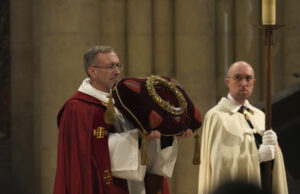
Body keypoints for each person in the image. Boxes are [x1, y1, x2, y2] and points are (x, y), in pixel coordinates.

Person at [53, 46, 190, 194]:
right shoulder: (77, 108)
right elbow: (88, 154)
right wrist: (135, 138)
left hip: (136, 185)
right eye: (110, 66)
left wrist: (166, 134)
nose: (117, 72)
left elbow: (146, 140)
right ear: (93, 71)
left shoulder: (125, 100)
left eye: (118, 65)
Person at [198, 61, 288, 194]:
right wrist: (257, 156)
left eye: (248, 78)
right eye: (238, 78)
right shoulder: (216, 116)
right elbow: (221, 163)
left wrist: (275, 149)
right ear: (228, 82)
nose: (244, 83)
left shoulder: (260, 115)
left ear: (253, 82)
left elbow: (271, 159)